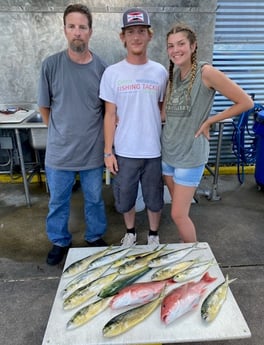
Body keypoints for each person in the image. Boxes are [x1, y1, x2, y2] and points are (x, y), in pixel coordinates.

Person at [161, 23, 254, 243]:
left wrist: (210, 120)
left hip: (190, 156)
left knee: (178, 214)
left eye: (181, 44)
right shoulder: (173, 77)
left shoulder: (206, 72)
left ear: (193, 46)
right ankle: (186, 247)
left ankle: (193, 258)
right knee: (178, 212)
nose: (176, 50)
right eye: (171, 46)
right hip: (169, 155)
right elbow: (166, 115)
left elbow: (245, 102)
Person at [38, 4, 108, 266]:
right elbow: (44, 106)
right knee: (58, 202)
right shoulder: (51, 65)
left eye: (82, 27)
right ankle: (59, 240)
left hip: (92, 151)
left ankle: (94, 236)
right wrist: (59, 132)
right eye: (72, 26)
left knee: (94, 199)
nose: (77, 32)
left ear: (90, 31)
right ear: (65, 30)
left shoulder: (103, 68)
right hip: (59, 153)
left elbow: (107, 112)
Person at [100, 7, 168, 247]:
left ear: (150, 35)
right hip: (125, 151)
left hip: (153, 151)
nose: (136, 37)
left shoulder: (160, 72)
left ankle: (153, 235)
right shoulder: (112, 73)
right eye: (131, 31)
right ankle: (130, 232)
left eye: (141, 31)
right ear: (123, 37)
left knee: (154, 198)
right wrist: (108, 151)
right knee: (125, 198)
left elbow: (162, 110)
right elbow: (109, 115)